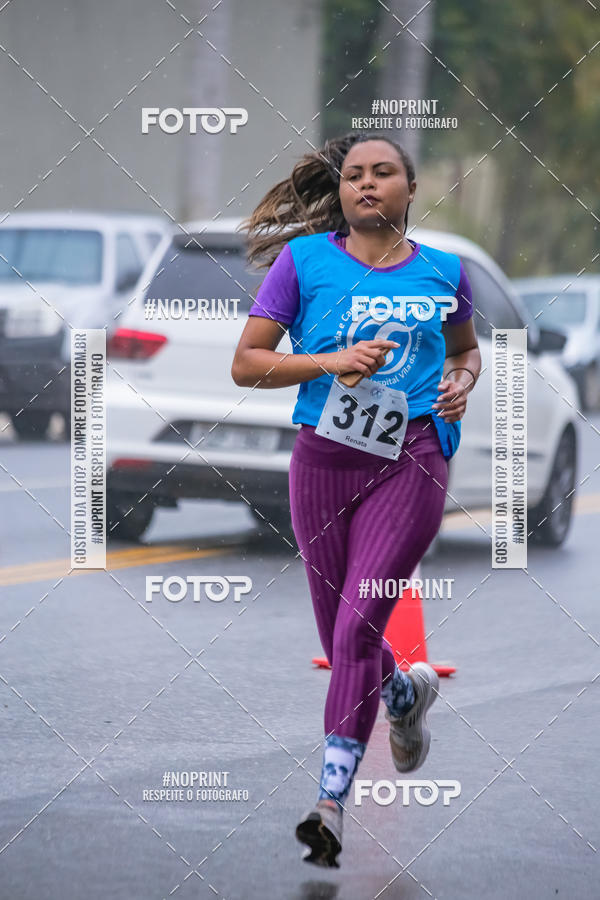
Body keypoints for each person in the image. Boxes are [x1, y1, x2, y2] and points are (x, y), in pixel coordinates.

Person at [231, 131, 481, 868]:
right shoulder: (302, 264)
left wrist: (461, 383)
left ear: (410, 188)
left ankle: (330, 802)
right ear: (340, 192)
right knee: (349, 639)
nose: (366, 184)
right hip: (322, 464)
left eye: (383, 173)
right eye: (353, 176)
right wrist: (329, 360)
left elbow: (465, 351)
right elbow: (247, 364)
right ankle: (405, 697)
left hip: (413, 462)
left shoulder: (445, 271)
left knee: (353, 632)